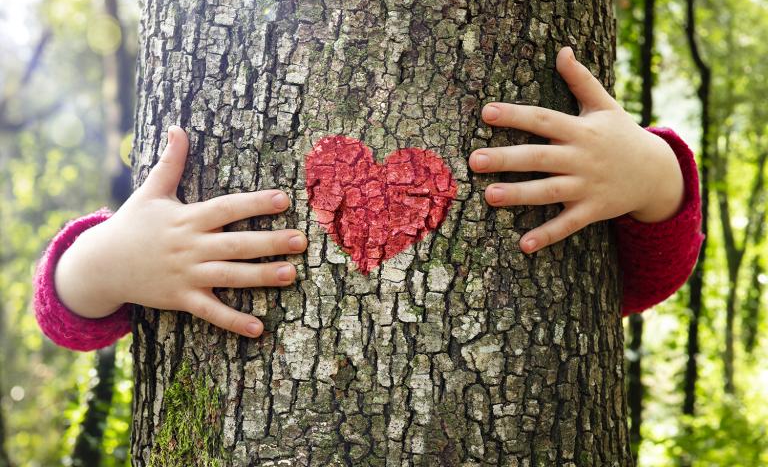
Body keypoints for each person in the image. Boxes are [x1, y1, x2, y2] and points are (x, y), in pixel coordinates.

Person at [33, 47, 703, 352]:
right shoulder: (162, 250)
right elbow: (63, 311)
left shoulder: (585, 183)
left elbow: (642, 278)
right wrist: (106, 263)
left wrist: (651, 170)